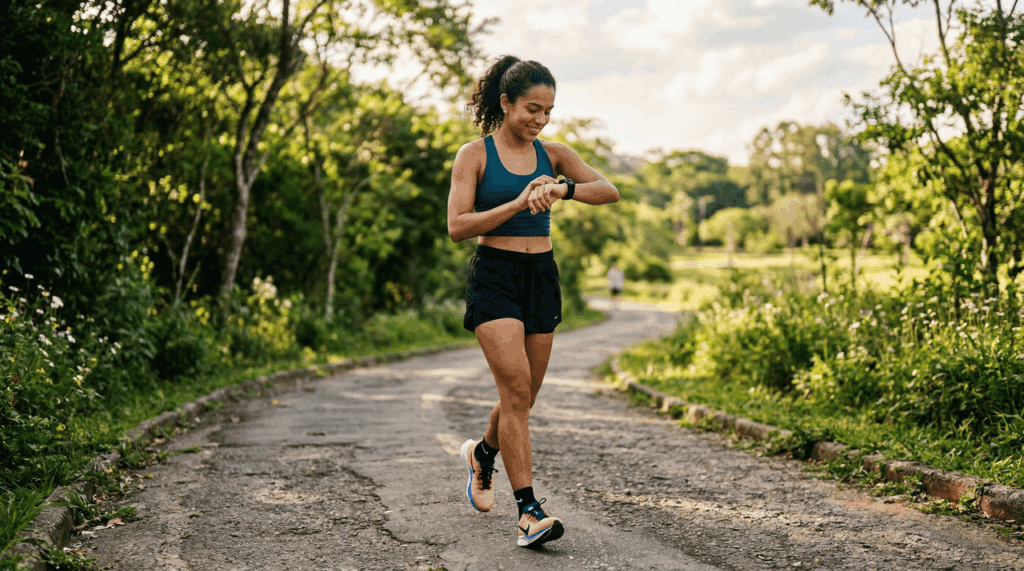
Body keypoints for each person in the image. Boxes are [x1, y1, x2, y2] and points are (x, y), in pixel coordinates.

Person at [446, 55, 619, 548]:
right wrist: (519, 202)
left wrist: (563, 189)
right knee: (516, 389)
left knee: (522, 397)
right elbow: (458, 227)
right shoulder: (473, 155)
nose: (540, 120)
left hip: (541, 276)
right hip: (495, 276)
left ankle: (483, 454)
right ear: (505, 103)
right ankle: (528, 512)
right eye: (531, 109)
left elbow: (609, 190)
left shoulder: (555, 153)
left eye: (547, 110)